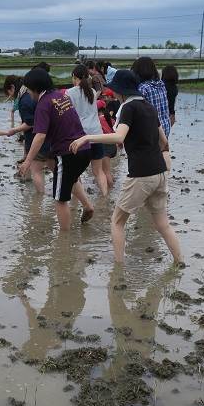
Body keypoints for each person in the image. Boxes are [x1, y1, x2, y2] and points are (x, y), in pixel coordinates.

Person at [69, 69, 182, 265]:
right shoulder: (149, 107)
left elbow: (118, 137)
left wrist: (87, 137)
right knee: (163, 224)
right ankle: (180, 261)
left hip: (141, 175)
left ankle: (118, 268)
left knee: (117, 221)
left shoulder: (129, 108)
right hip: (160, 172)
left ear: (120, 92)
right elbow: (163, 141)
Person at [18, 68, 94, 231]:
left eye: (29, 89)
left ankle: (63, 241)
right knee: (70, 179)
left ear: (36, 88)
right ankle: (88, 206)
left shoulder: (43, 105)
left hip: (67, 154)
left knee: (60, 199)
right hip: (84, 149)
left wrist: (27, 161)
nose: (29, 93)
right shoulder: (61, 96)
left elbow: (39, 136)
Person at [66, 64, 109, 195]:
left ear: (74, 77)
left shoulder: (69, 93)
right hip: (96, 134)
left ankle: (77, 200)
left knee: (75, 172)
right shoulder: (92, 92)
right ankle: (105, 197)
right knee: (98, 171)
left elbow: (68, 115)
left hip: (80, 136)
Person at [5, 77, 51, 192]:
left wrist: (14, 130)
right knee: (55, 167)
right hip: (49, 135)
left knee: (36, 170)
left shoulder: (24, 100)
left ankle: (37, 202)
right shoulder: (29, 95)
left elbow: (31, 123)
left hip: (36, 138)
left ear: (12, 87)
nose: (11, 96)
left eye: (9, 92)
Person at [132, 56, 171, 138]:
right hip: (165, 127)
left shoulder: (143, 88)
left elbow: (138, 114)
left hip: (152, 130)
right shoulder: (161, 84)